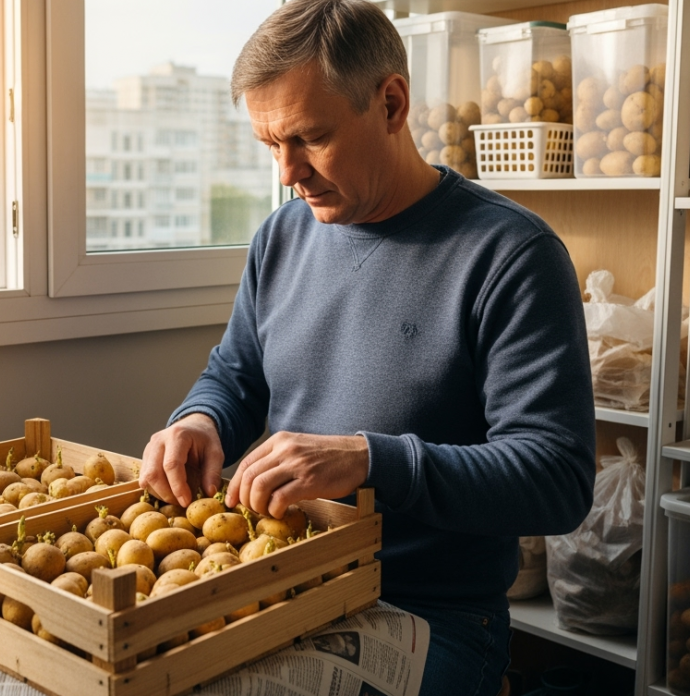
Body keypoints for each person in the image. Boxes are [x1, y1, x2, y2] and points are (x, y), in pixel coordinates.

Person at [137, 1, 596, 694]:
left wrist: (371, 459)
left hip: (431, 612)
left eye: (309, 138)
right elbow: (234, 378)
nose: (287, 172)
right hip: (287, 577)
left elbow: (556, 482)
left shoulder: (511, 254)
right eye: (270, 145)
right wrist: (199, 420)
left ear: (391, 103)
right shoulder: (281, 237)